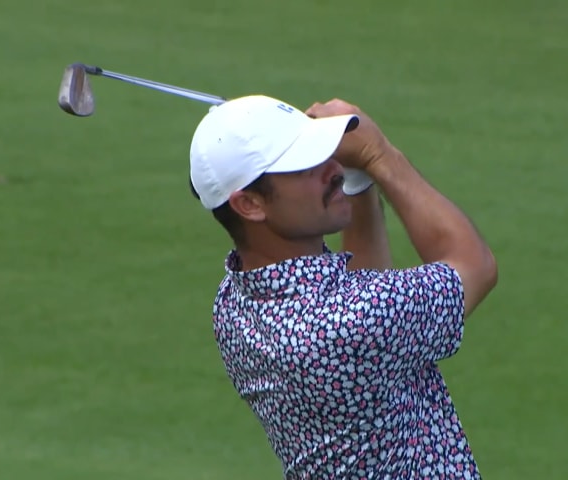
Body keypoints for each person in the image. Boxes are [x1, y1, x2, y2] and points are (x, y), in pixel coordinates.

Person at [188, 94, 498, 479]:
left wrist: (354, 180)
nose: (332, 167)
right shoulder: (346, 323)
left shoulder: (233, 303)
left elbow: (367, 286)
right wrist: (377, 155)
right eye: (304, 167)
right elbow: (474, 265)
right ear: (249, 204)